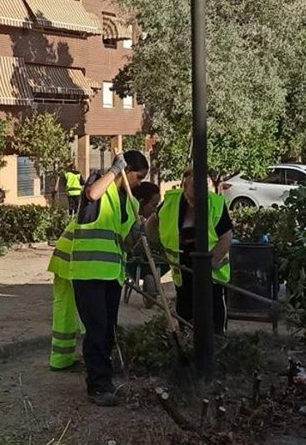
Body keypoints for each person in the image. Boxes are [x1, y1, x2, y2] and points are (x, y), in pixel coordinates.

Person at [48, 150, 149, 406]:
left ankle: (106, 380)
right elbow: (91, 194)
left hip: (112, 275)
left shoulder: (130, 204)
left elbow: (123, 243)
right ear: (126, 170)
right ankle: (97, 386)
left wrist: (135, 234)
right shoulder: (98, 187)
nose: (139, 183)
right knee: (96, 329)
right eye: (137, 177)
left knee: (108, 330)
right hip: (87, 272)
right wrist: (114, 170)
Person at [149, 168, 234, 333]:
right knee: (186, 319)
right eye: (190, 193)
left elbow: (226, 237)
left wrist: (211, 263)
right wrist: (157, 243)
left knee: (213, 323)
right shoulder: (171, 202)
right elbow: (152, 224)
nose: (194, 199)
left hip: (212, 276)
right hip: (183, 271)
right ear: (184, 186)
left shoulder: (215, 203)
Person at [122, 181, 164, 305]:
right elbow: (128, 245)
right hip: (134, 260)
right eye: (153, 205)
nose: (155, 209)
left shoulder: (152, 222)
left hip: (154, 259)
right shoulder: (130, 221)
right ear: (141, 203)